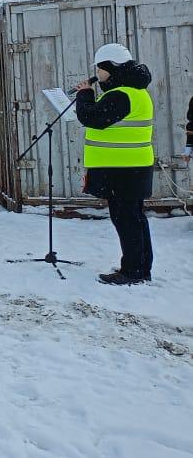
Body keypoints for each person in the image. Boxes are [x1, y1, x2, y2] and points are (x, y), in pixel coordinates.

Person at [75, 43, 155, 285]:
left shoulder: (122, 94)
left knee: (126, 220)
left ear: (110, 68)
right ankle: (140, 267)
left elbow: (92, 118)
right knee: (134, 218)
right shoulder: (136, 92)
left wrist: (85, 94)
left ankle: (132, 271)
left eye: (99, 69)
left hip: (123, 170)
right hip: (132, 167)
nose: (97, 74)